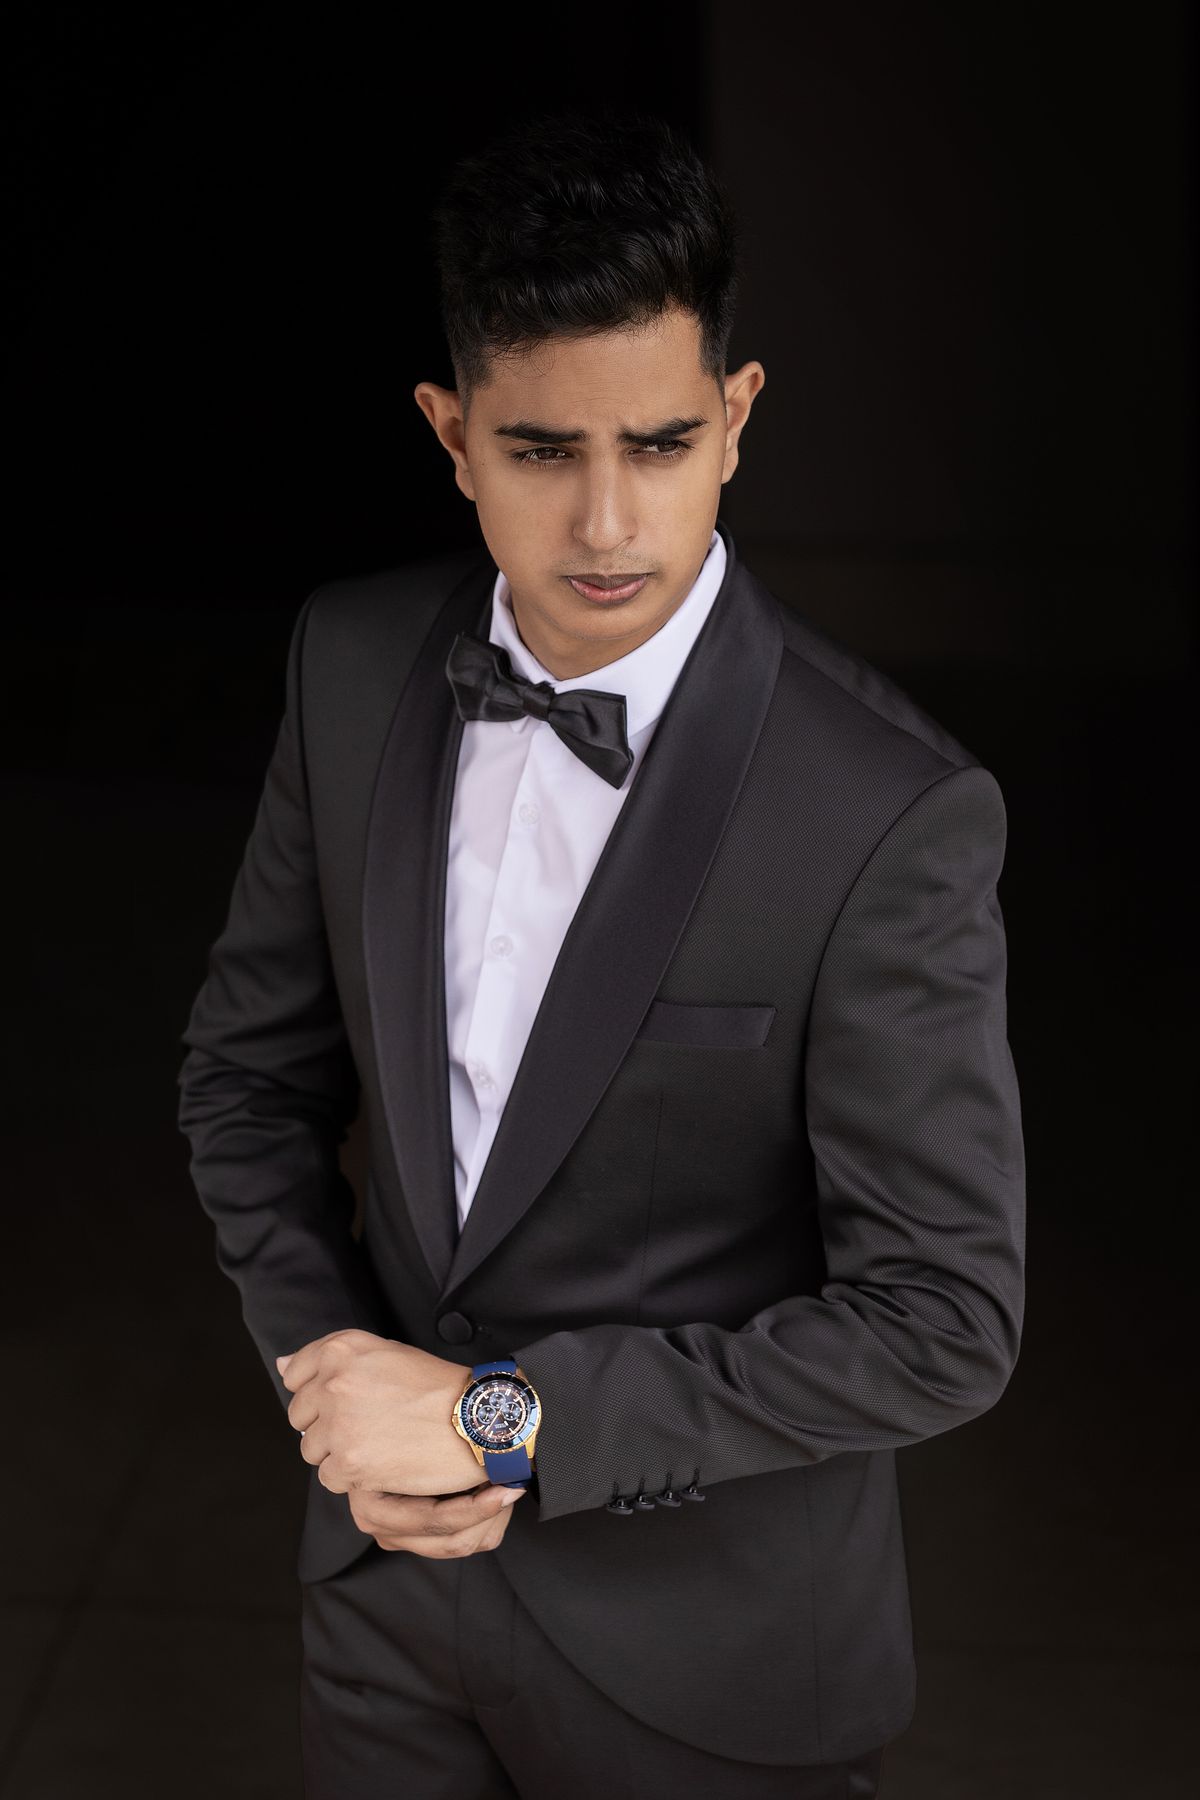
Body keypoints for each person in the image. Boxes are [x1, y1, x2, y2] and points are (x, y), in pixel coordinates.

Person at [176, 109, 1025, 1800]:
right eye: (543, 451)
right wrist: (334, 1389)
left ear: (739, 419)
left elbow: (945, 1319)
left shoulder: (890, 811)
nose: (610, 521)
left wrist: (498, 1423)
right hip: (384, 1606)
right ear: (452, 436)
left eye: (662, 441)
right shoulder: (349, 664)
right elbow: (246, 1083)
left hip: (711, 1665)